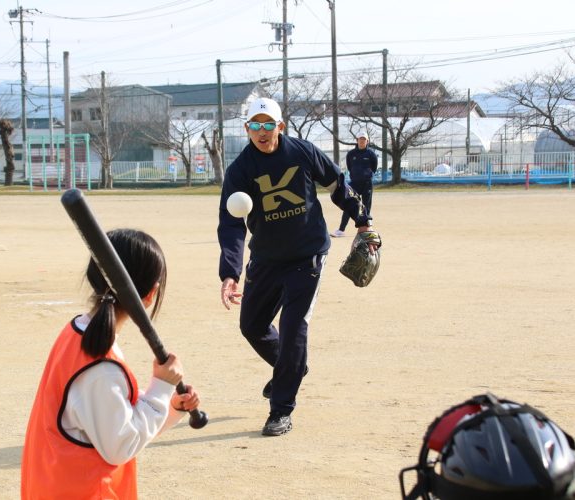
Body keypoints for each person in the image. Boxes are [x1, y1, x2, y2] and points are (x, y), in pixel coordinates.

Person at [217, 97, 378, 437]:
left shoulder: (302, 152)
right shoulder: (240, 170)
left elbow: (337, 184)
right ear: (247, 129)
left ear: (280, 126)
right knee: (252, 325)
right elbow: (231, 225)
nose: (262, 131)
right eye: (255, 125)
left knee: (293, 328)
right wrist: (230, 273)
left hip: (307, 255)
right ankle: (292, 368)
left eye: (268, 124)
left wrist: (363, 221)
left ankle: (280, 409)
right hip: (265, 257)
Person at [21, 228, 201, 499]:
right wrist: (161, 389)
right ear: (150, 294)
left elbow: (118, 424)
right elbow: (121, 444)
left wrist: (170, 407)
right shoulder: (101, 367)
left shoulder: (78, 332)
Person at [331, 130, 378, 238]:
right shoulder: (351, 154)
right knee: (349, 205)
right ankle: (341, 230)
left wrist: (367, 175)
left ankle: (366, 229)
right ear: (357, 140)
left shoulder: (371, 154)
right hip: (354, 183)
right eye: (360, 139)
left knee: (366, 207)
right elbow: (349, 166)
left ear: (367, 141)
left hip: (367, 183)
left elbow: (374, 168)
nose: (362, 141)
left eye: (364, 139)